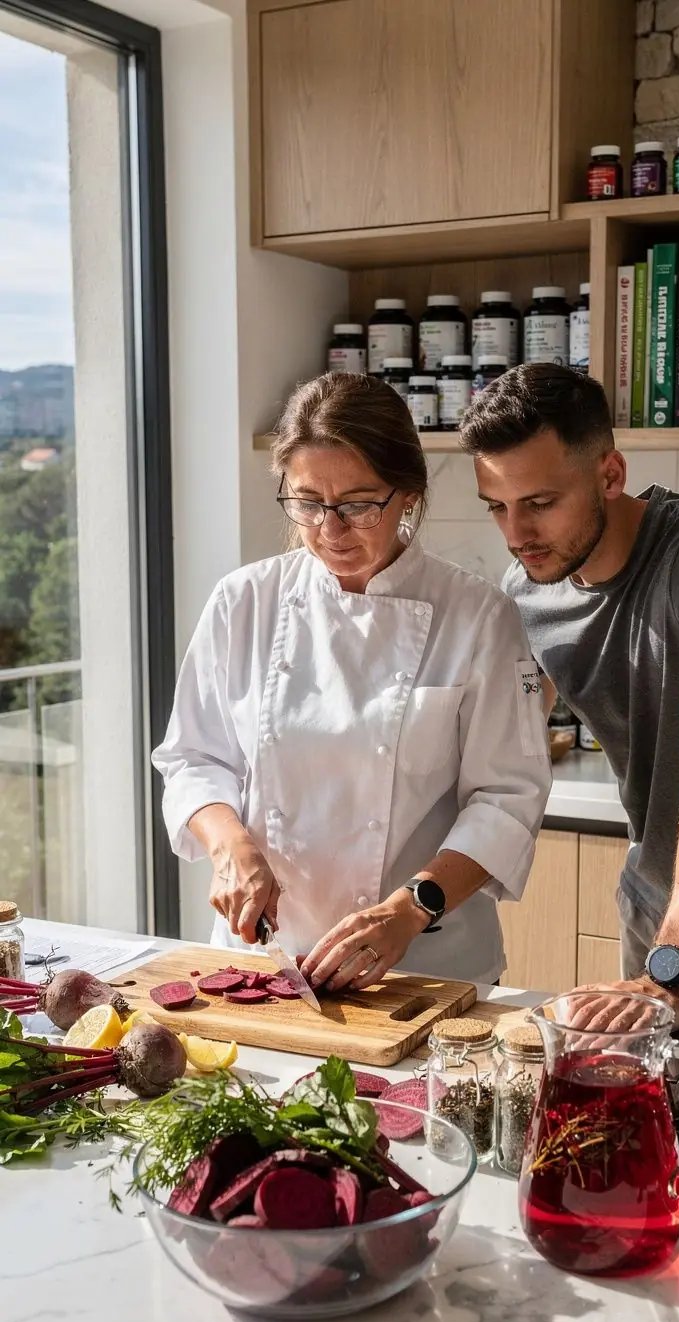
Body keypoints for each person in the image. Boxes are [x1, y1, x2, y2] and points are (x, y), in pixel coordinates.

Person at [153, 371, 551, 990]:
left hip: (426, 963)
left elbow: (507, 799)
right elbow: (193, 758)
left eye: (360, 505)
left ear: (410, 493)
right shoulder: (244, 602)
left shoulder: (477, 616)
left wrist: (410, 907)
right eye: (308, 502)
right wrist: (229, 845)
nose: (331, 530)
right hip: (266, 954)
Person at [460, 363, 679, 1031]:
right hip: (651, 919)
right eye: (497, 507)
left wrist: (675, 970)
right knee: (643, 1130)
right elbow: (500, 753)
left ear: (610, 475)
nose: (516, 534)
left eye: (539, 503)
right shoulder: (527, 589)